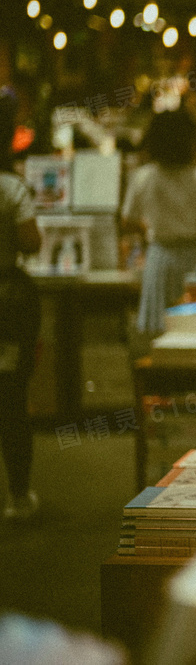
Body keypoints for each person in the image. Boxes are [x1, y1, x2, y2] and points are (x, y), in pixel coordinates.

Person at [122, 109, 196, 334]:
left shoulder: (144, 176)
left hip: (160, 258)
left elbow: (128, 220)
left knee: (158, 331)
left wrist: (148, 230)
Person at [0, 88, 42, 520]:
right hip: (7, 304)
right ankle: (18, 494)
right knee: (11, 398)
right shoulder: (11, 188)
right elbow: (31, 241)